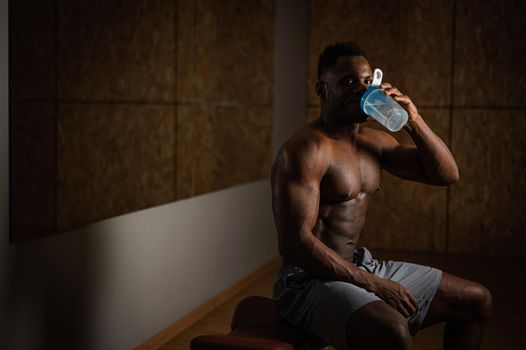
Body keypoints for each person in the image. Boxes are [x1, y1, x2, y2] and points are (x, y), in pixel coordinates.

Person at [271, 42, 493, 350]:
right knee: (392, 331)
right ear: (322, 88)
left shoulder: (375, 143)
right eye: (347, 81)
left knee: (476, 301)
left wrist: (413, 120)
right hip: (307, 281)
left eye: (366, 81)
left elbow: (446, 175)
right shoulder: (308, 149)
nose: (360, 90)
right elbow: (295, 243)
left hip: (358, 265)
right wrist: (376, 285)